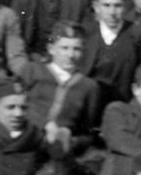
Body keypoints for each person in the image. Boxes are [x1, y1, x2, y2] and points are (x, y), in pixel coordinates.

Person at [19, 20, 99, 162]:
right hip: (25, 137)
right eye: (64, 48)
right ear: (51, 49)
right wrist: (46, 125)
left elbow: (87, 132)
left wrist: (71, 139)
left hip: (58, 151)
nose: (70, 55)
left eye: (76, 49)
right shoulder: (33, 70)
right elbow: (14, 103)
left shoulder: (88, 86)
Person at [81, 0, 141, 109]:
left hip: (123, 104)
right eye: (106, 5)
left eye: (117, 5)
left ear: (125, 6)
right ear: (96, 7)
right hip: (89, 104)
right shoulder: (86, 32)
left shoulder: (138, 34)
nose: (112, 12)